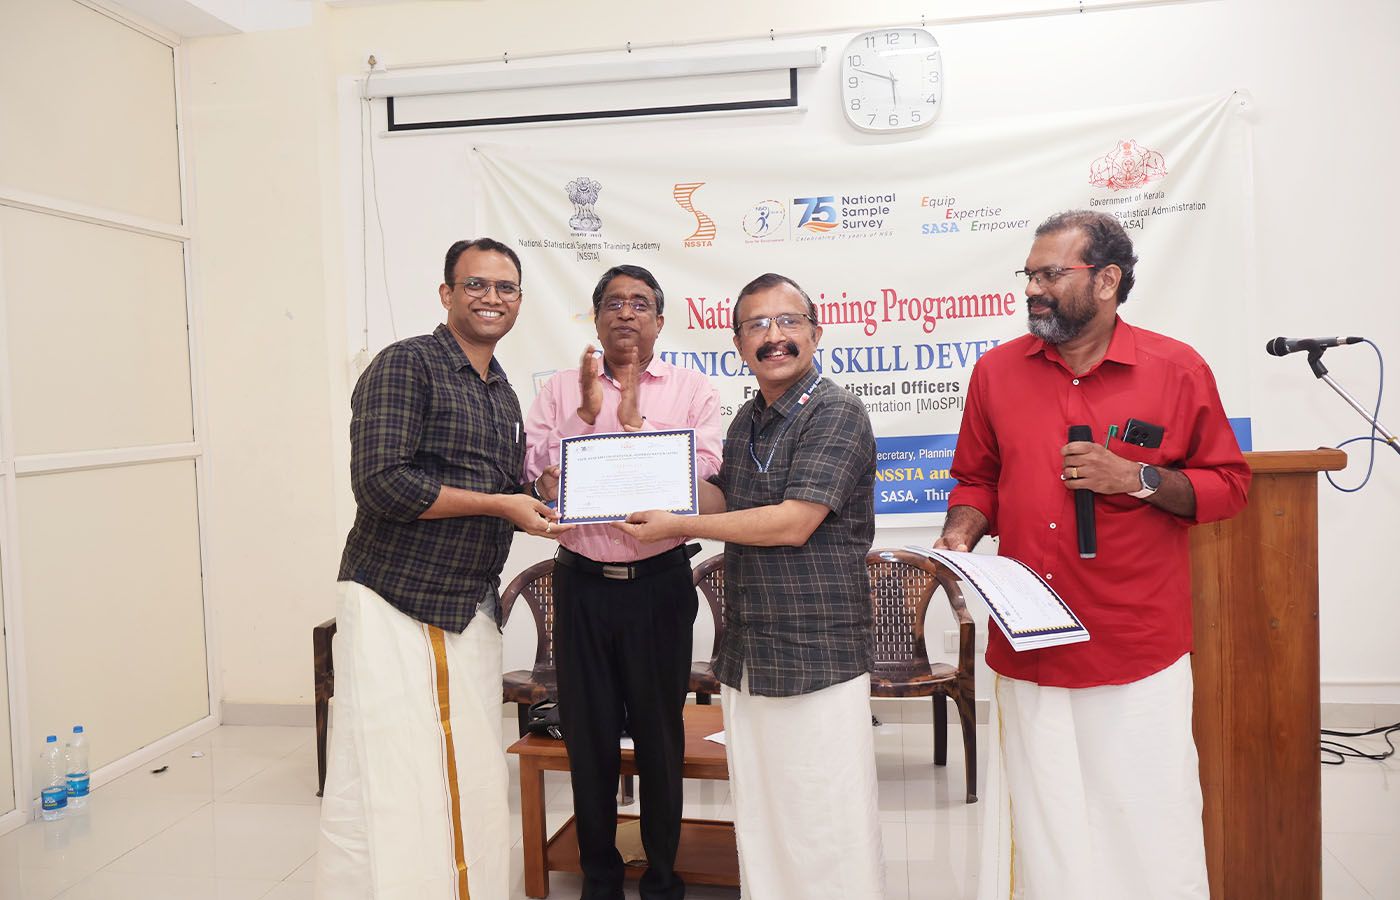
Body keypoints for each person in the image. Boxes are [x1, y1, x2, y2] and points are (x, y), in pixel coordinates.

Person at [934, 210, 1251, 899]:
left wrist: (1137, 478)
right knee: (1046, 827)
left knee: (1144, 825)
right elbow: (977, 480)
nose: (1033, 289)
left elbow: (1228, 486)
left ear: (1107, 280)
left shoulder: (1176, 369)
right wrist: (961, 531)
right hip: (1031, 644)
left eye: (1051, 274)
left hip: (1133, 644)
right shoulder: (996, 372)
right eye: (1029, 275)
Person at [616, 273, 884, 900]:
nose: (774, 336)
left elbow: (794, 523)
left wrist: (680, 524)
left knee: (824, 820)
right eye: (757, 325)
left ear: (815, 333)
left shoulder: (836, 411)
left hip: (817, 651)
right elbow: (721, 498)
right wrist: (645, 463)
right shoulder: (747, 420)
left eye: (788, 321)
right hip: (750, 649)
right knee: (765, 819)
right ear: (738, 343)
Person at [318, 238, 567, 900]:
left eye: (506, 288)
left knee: (453, 772)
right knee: (407, 777)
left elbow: (501, 489)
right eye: (476, 284)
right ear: (447, 293)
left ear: (519, 301)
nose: (492, 298)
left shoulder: (501, 390)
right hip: (401, 600)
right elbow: (382, 484)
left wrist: (539, 491)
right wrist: (502, 504)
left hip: (466, 605)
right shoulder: (407, 365)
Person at [523, 264, 722, 900]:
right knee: (590, 737)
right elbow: (535, 466)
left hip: (660, 584)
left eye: (640, 303)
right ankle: (600, 878)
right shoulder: (562, 390)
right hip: (581, 584)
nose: (626, 313)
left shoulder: (691, 389)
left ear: (659, 320)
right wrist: (573, 442)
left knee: (661, 734)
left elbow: (702, 471)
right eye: (613, 303)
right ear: (597, 317)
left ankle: (662, 878)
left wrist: (638, 430)